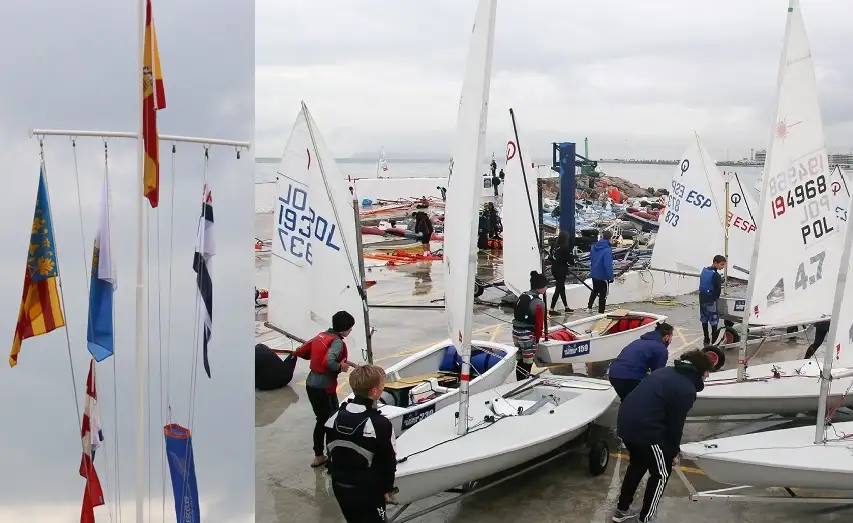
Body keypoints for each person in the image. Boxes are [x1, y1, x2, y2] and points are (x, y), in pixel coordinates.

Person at [612, 349, 713, 523]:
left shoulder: (664, 372)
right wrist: (672, 452)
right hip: (646, 431)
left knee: (637, 464)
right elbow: (675, 425)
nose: (708, 376)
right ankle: (646, 518)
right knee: (661, 473)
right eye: (707, 372)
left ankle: (621, 510)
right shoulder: (686, 389)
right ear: (700, 371)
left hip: (625, 424)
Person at [326, 364, 396, 523]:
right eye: (382, 386)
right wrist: (387, 488)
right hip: (367, 489)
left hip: (339, 484)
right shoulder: (380, 423)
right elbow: (388, 461)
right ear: (374, 391)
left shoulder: (334, 416)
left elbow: (331, 451)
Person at [293, 310, 355, 468]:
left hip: (311, 385)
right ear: (343, 329)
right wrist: (340, 366)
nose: (351, 330)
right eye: (350, 328)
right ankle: (332, 457)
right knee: (330, 422)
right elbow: (329, 362)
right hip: (324, 388)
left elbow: (301, 351)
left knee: (320, 421)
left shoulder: (321, 336)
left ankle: (318, 456)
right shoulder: (337, 342)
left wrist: (315, 354)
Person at [608, 323, 674, 400]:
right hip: (631, 377)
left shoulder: (638, 341)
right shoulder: (661, 349)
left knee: (627, 401)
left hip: (613, 374)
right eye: (671, 337)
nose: (670, 340)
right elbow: (657, 374)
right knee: (640, 402)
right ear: (666, 337)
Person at [512, 271, 547, 380]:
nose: (546, 288)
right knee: (528, 361)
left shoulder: (522, 295)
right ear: (540, 288)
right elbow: (539, 325)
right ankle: (524, 381)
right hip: (527, 335)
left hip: (516, 333)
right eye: (545, 286)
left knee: (520, 360)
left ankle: (519, 380)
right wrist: (536, 340)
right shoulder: (539, 303)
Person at [699, 255, 726, 345]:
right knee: (714, 320)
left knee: (704, 318)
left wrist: (719, 280)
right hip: (711, 300)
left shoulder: (704, 270)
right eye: (721, 265)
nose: (722, 267)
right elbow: (717, 289)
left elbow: (707, 281)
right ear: (715, 263)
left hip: (702, 299)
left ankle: (706, 338)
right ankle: (714, 339)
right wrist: (717, 298)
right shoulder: (716, 275)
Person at [588, 230, 614, 313]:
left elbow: (591, 260)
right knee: (603, 295)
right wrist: (611, 276)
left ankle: (589, 307)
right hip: (603, 276)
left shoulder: (594, 247)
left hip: (594, 273)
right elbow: (608, 264)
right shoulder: (607, 249)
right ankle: (601, 312)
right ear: (610, 238)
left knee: (595, 290)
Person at [549, 231, 574, 315]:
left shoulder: (554, 246)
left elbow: (551, 257)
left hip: (554, 269)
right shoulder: (565, 248)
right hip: (561, 270)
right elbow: (570, 261)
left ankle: (566, 307)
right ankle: (551, 309)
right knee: (558, 289)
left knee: (561, 288)